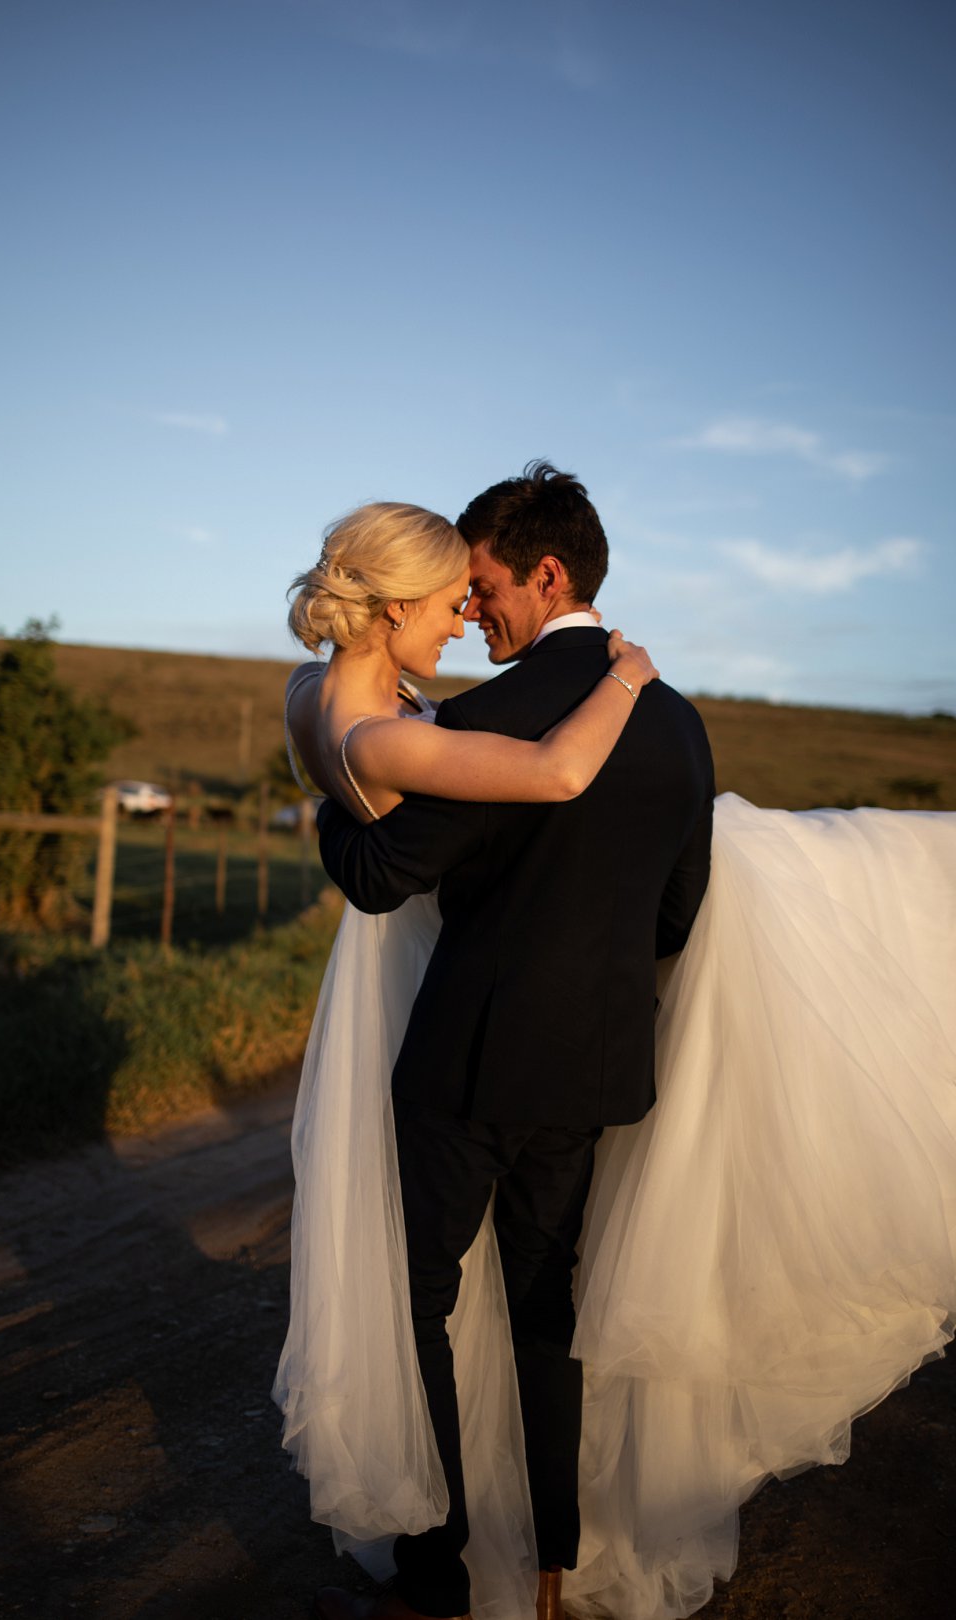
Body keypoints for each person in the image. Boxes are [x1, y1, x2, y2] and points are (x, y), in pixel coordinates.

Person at [274, 466, 956, 1620]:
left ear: (546, 575)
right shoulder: (677, 723)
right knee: (551, 1312)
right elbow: (681, 912)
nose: (472, 610)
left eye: (482, 586)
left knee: (422, 1303)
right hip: (593, 1069)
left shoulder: (477, 720)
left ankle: (438, 1567)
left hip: (465, 1060)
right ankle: (550, 1572)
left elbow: (387, 875)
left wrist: (326, 754)